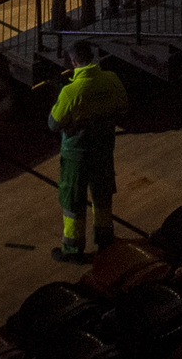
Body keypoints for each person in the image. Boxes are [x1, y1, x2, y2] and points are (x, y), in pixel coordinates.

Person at [50, 38, 128, 261]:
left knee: (73, 201)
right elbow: (123, 106)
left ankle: (73, 249)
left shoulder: (70, 92)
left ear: (73, 61)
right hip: (103, 149)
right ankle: (105, 240)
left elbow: (53, 123)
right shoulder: (111, 79)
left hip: (76, 155)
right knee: (102, 195)